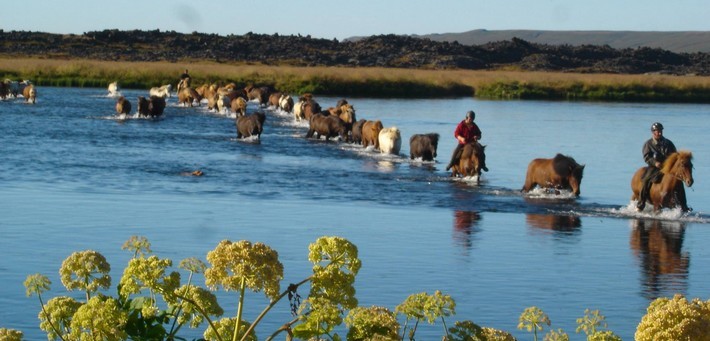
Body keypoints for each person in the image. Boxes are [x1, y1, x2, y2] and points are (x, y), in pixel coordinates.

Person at [636, 122, 677, 211]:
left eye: (660, 131)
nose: (659, 133)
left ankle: (683, 205)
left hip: (668, 167)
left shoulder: (668, 143)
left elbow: (675, 154)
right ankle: (641, 203)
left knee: (678, 181)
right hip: (654, 167)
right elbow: (647, 157)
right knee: (646, 180)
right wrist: (655, 163)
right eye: (657, 131)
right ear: (653, 132)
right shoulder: (648, 144)